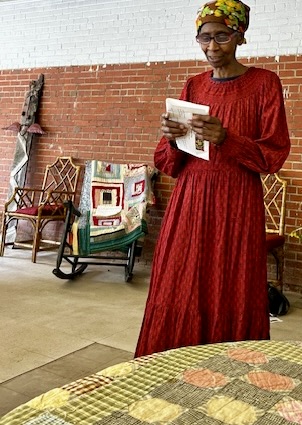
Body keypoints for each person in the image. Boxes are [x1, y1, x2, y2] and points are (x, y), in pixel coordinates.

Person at [135, 0, 290, 358]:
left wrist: (226, 138)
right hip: (189, 198)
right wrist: (171, 137)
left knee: (230, 281)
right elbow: (168, 163)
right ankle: (169, 360)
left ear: (240, 35)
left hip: (236, 201)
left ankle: (229, 368)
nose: (212, 47)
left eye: (222, 36)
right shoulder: (193, 86)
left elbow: (273, 155)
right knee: (178, 279)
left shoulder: (264, 84)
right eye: (204, 38)